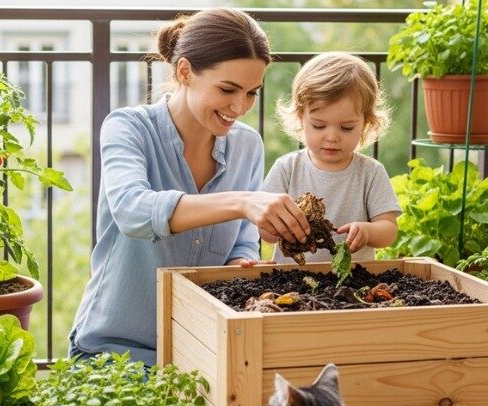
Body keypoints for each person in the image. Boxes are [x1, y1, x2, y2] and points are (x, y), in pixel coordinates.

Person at [67, 8, 311, 366]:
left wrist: (243, 263)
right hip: (114, 352)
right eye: (228, 89)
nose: (240, 106)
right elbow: (133, 211)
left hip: (200, 350)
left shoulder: (247, 146)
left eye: (251, 93)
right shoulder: (128, 128)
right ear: (184, 71)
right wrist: (243, 201)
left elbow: (241, 242)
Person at [261, 52, 400, 263]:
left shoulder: (370, 172)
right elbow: (265, 232)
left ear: (366, 123)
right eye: (319, 126)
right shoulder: (287, 168)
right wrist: (278, 227)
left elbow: (389, 230)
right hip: (290, 279)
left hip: (351, 279)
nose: (332, 137)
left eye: (346, 127)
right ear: (301, 118)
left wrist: (368, 232)